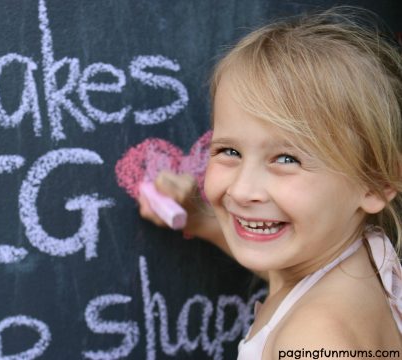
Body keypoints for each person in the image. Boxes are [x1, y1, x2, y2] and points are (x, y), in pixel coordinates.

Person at [138, 7, 402, 359]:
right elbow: (279, 268)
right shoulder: (358, 258)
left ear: (376, 184)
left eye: (287, 159)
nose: (243, 190)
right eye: (229, 151)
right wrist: (201, 220)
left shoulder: (311, 342)